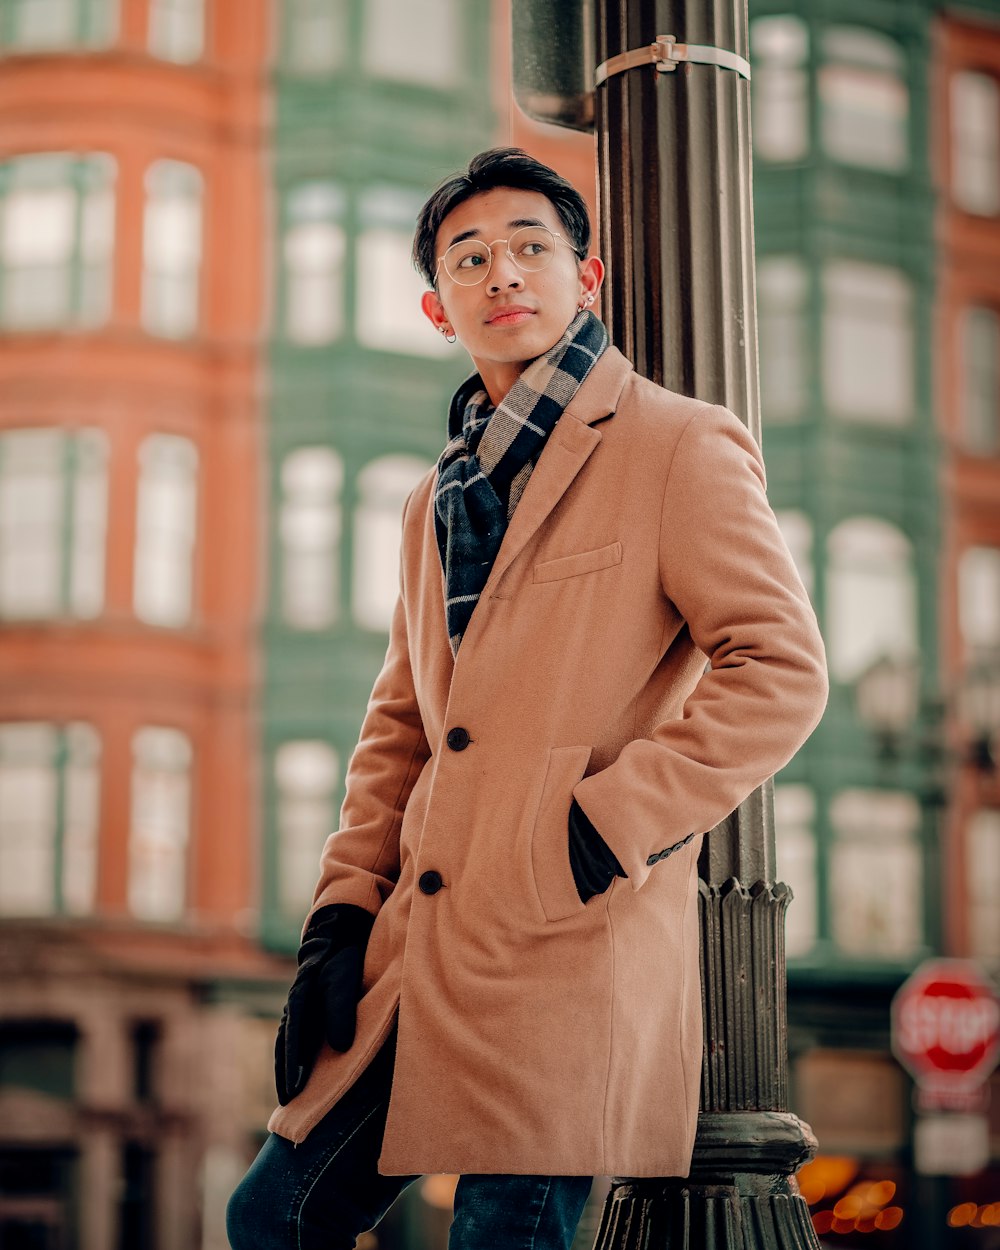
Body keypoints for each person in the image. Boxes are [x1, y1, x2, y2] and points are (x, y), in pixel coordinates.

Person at [227, 147, 828, 1250]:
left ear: (583, 276)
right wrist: (340, 914)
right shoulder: (431, 497)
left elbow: (780, 666)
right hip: (420, 945)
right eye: (470, 258)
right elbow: (400, 724)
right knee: (271, 1212)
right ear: (435, 303)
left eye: (528, 248)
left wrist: (606, 828)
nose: (501, 273)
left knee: (501, 1238)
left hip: (563, 937)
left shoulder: (673, 443)